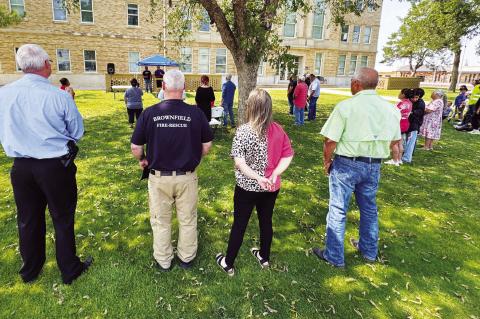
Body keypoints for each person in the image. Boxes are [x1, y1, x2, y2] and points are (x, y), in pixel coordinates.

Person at [0, 44, 92, 284]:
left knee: (28, 218)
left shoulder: (4, 94)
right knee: (62, 217)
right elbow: (77, 131)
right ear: (45, 65)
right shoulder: (59, 95)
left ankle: (30, 270)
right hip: (53, 166)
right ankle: (69, 268)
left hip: (21, 167)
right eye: (50, 60)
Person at [312, 67, 401, 268]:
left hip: (346, 164)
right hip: (373, 165)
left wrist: (327, 161)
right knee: (369, 209)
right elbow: (395, 141)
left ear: (356, 84)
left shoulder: (346, 107)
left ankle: (335, 256)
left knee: (338, 208)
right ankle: (369, 251)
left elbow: (330, 141)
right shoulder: (390, 109)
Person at [131, 69, 213, 271]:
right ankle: (186, 258)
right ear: (183, 88)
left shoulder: (149, 113)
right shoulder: (196, 113)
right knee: (187, 220)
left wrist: (142, 159)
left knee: (161, 221)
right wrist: (195, 158)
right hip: (187, 176)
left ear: (163, 87)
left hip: (159, 178)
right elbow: (207, 145)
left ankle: (164, 260)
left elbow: (135, 147)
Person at [215, 89, 294, 276]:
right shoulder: (278, 129)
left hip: (247, 188)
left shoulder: (243, 131)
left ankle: (228, 262)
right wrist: (274, 174)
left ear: (250, 107)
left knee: (240, 223)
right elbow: (287, 155)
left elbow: (239, 162)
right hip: (270, 187)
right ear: (269, 108)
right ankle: (264, 257)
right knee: (266, 221)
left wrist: (261, 176)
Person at [385, 88, 413, 166]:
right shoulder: (409, 103)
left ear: (403, 94)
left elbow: (393, 113)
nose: (399, 94)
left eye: (400, 93)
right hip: (405, 123)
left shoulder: (401, 103)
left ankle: (394, 160)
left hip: (399, 123)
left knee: (394, 143)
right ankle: (399, 159)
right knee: (400, 142)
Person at [402, 88, 426, 163]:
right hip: (408, 123)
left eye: (417, 97)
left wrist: (411, 112)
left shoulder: (421, 103)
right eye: (413, 97)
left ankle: (407, 157)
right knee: (408, 140)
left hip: (414, 124)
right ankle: (407, 153)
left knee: (411, 141)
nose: (415, 99)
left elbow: (420, 112)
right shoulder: (408, 102)